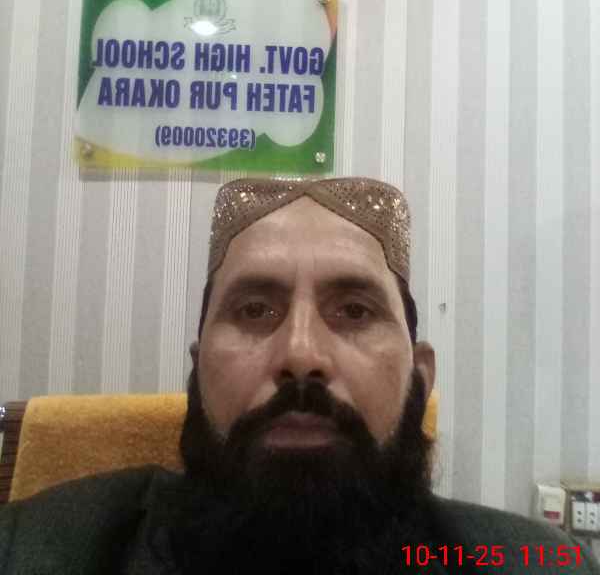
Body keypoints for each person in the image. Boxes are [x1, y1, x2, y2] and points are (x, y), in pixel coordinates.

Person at [1, 177, 598, 575]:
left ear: (420, 377)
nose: (301, 353)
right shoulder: (37, 545)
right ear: (198, 369)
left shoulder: (537, 562)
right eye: (254, 309)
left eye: (355, 311)